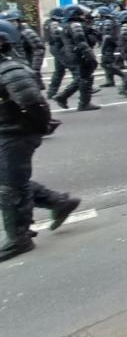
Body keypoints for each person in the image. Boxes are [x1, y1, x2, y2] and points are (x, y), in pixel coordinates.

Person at [0, 20, 80, 262]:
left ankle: (19, 238)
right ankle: (58, 202)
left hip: (15, 133)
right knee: (10, 180)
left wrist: (41, 127)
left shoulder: (11, 70)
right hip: (8, 130)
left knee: (11, 186)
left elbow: (34, 104)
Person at [53, 5, 100, 112]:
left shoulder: (66, 25)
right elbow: (81, 42)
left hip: (74, 54)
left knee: (82, 77)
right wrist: (90, 56)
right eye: (81, 13)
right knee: (85, 79)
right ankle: (84, 103)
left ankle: (62, 96)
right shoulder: (75, 25)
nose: (83, 15)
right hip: (81, 54)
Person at [1, 11, 45, 87]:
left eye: (13, 21)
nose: (11, 24)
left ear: (18, 21)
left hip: (28, 67)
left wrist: (35, 68)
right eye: (7, 22)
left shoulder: (26, 32)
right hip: (12, 70)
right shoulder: (4, 37)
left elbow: (39, 49)